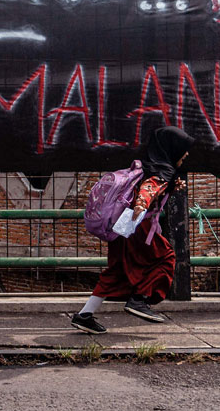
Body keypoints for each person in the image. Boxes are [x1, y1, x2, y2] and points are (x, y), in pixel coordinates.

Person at [71, 126, 194, 334]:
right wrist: (142, 204)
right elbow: (149, 188)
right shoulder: (163, 171)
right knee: (166, 258)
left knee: (117, 270)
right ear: (172, 149)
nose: (187, 153)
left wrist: (171, 187)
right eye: (184, 148)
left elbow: (150, 186)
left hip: (123, 225)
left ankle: (84, 315)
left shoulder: (148, 166)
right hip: (138, 226)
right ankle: (139, 300)